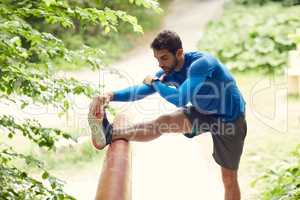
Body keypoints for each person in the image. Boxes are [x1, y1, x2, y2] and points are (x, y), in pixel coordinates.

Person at [88, 30, 247, 200]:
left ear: (179, 53)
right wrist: (111, 96)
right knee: (164, 122)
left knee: (229, 179)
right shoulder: (169, 70)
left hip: (229, 119)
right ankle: (109, 134)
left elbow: (180, 99)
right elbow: (142, 91)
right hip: (204, 112)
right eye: (157, 59)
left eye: (164, 58)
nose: (160, 64)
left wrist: (155, 82)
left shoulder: (201, 64)